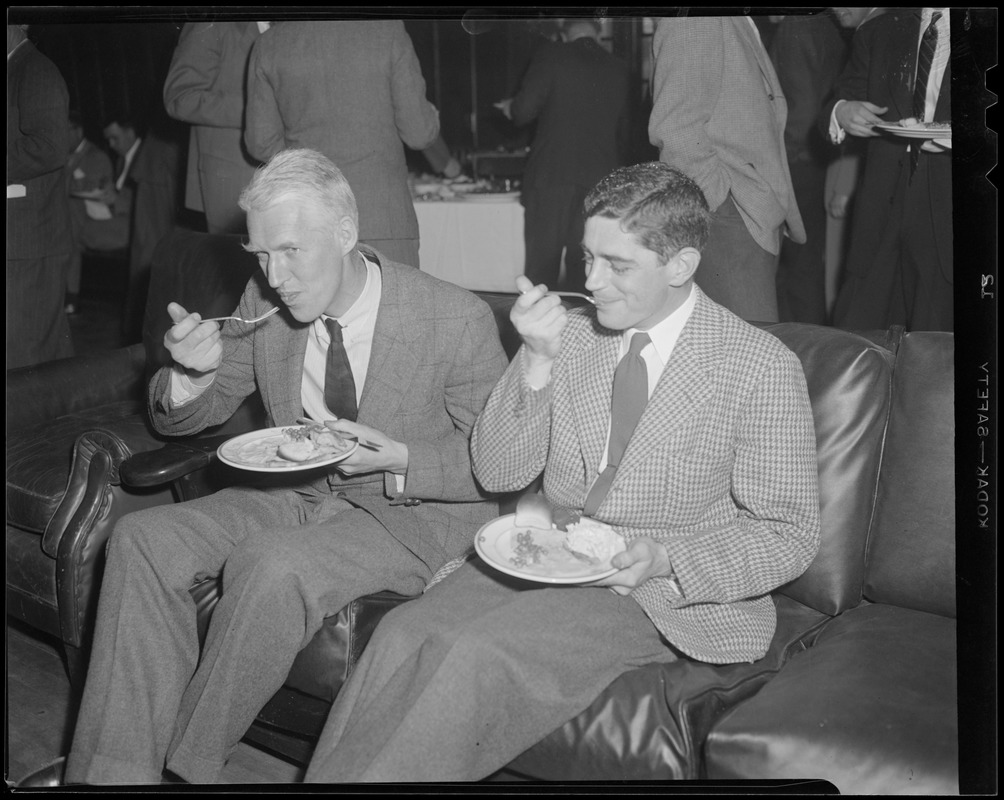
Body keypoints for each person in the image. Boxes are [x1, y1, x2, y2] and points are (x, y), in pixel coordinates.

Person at [304, 161, 822, 782]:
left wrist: (666, 559)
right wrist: (537, 362)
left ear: (681, 265)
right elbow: (497, 471)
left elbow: (789, 532)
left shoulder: (759, 366)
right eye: (586, 259)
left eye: (617, 265)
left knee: (471, 655)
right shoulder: (571, 337)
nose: (592, 282)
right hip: (542, 556)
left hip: (649, 591)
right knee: (403, 633)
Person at [63, 148, 508, 785]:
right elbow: (193, 415)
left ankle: (185, 770)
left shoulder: (453, 318)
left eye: (293, 251)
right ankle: (112, 774)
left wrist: (403, 459)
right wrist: (190, 377)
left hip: (407, 515)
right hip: (298, 492)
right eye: (262, 255)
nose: (277, 276)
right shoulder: (261, 302)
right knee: (141, 538)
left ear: (347, 234)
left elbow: (500, 466)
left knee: (272, 566)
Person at [244, 20, 442, 268]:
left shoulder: (270, 43)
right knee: (396, 304)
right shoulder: (386, 29)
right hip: (382, 216)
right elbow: (419, 134)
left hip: (310, 216)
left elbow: (260, 143)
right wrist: (431, 115)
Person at [648, 14, 805, 323]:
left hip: (747, 217)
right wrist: (721, 205)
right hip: (728, 219)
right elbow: (676, 130)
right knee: (746, 360)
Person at [825, 8, 952, 331]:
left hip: (949, 208)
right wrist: (842, 111)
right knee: (857, 334)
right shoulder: (880, 30)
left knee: (935, 349)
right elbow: (839, 99)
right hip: (881, 208)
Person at [495, 18, 630, 292]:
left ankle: (537, 330)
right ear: (598, 31)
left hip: (551, 179)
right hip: (601, 183)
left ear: (563, 34)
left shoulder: (551, 56)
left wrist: (511, 107)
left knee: (541, 268)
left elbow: (523, 112)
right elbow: (627, 133)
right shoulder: (620, 68)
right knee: (588, 267)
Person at [768, 12, 848, 324]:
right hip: (815, 160)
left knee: (795, 272)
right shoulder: (824, 24)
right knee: (806, 268)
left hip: (793, 163)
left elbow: (802, 108)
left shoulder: (796, 24)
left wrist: (776, 162)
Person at [7, 23, 74, 368]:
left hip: (29, 241)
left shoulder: (36, 70)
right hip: (19, 242)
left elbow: (49, 148)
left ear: (18, 25)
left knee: (25, 357)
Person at [163, 20, 267, 234]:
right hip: (230, 179)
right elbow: (180, 97)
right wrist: (253, 109)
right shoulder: (212, 22)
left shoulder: (291, 25)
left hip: (281, 172)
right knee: (238, 265)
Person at [101, 113, 180, 344]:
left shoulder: (150, 154)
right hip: (163, 164)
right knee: (150, 253)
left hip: (166, 163)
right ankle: (142, 335)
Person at [64, 111, 119, 313]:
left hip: (95, 215)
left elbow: (96, 189)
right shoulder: (60, 156)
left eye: (64, 130)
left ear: (78, 131)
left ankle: (70, 296)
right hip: (72, 218)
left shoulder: (96, 156)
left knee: (71, 212)